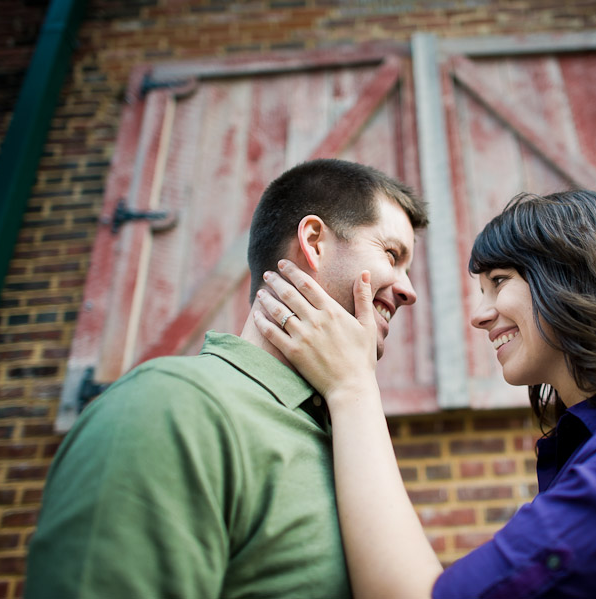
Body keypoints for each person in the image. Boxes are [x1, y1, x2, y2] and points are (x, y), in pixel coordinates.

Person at [254, 190, 596, 599]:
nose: (479, 312)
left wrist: (352, 387)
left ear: (572, 277)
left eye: (499, 281)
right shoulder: (585, 446)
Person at [24, 159, 428, 599]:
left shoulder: (351, 441)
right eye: (392, 255)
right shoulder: (170, 408)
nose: (408, 290)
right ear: (314, 242)